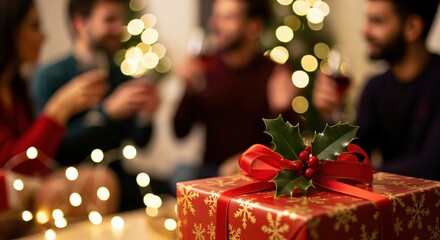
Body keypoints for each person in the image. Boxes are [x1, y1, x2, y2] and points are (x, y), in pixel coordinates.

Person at [0, 0, 118, 238]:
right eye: (34, 26)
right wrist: (59, 109)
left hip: (44, 178)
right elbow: (17, 167)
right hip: (17, 187)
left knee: (103, 180)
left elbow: (137, 138)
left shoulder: (16, 88)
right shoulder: (49, 77)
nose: (44, 36)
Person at [32, 0, 159, 211]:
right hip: (66, 185)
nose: (120, 27)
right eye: (110, 19)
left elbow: (140, 141)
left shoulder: (119, 75)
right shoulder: (50, 77)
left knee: (169, 194)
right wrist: (106, 112)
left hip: (119, 181)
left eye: (121, 19)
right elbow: (50, 151)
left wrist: (146, 114)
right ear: (80, 23)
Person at [173, 0, 301, 184]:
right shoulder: (205, 67)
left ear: (254, 27)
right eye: (217, 16)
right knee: (182, 175)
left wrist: (282, 109)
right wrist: (188, 91)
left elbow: (292, 147)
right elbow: (180, 132)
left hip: (256, 173)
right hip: (212, 172)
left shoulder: (275, 74)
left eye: (228, 18)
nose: (215, 24)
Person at [313, 0, 440, 180]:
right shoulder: (375, 87)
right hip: (390, 202)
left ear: (412, 27)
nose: (364, 30)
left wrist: (366, 172)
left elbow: (431, 166)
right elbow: (354, 156)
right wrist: (332, 113)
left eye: (377, 21)